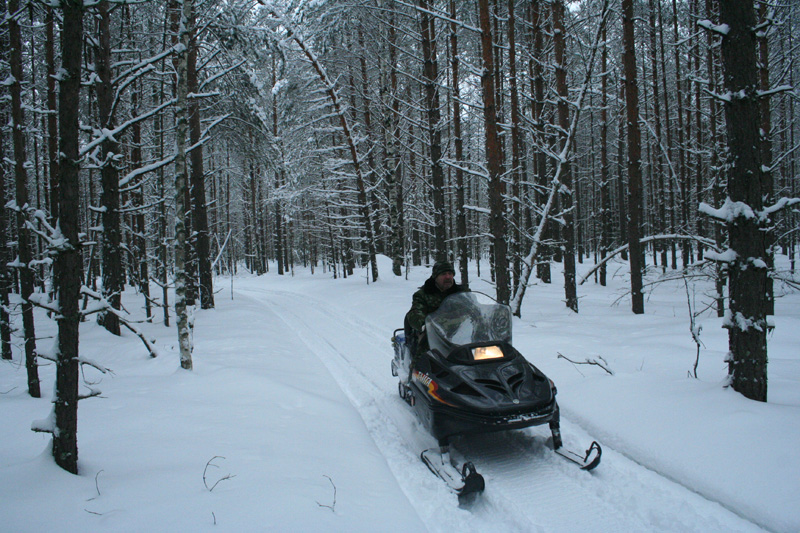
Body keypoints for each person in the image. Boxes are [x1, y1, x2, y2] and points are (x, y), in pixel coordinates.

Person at [404, 261, 469, 357]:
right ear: (435, 277)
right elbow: (415, 313)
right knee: (425, 359)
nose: (447, 277)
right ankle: (415, 368)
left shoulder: (462, 293)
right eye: (443, 274)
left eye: (450, 274)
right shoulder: (423, 294)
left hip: (461, 335)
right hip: (433, 336)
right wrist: (424, 324)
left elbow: (474, 308)